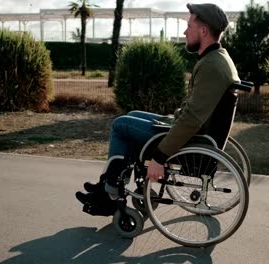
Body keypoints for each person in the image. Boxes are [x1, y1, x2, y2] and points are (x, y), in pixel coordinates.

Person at [76, 3, 240, 216]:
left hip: (193, 140)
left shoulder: (211, 66)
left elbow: (191, 119)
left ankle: (109, 191)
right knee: (132, 115)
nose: (184, 31)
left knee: (121, 125)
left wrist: (160, 157)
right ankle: (109, 184)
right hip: (196, 133)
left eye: (189, 26)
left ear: (204, 31)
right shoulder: (218, 58)